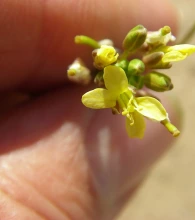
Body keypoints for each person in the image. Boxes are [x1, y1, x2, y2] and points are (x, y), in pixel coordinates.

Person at [0, 0, 179, 219]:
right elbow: (110, 81)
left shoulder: (116, 80)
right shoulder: (113, 81)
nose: (127, 105)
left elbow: (114, 78)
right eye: (126, 100)